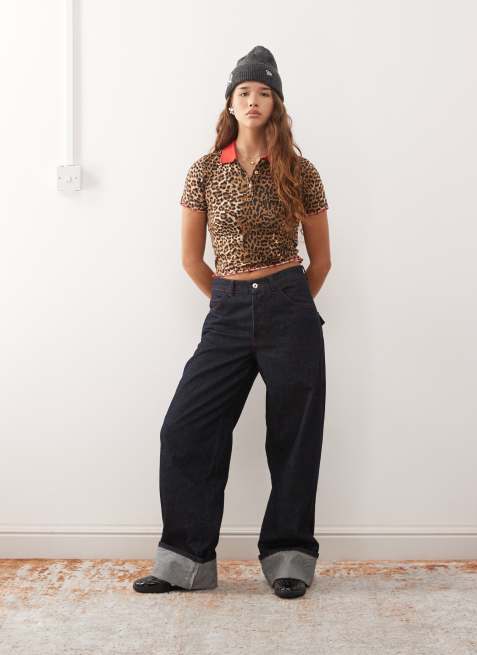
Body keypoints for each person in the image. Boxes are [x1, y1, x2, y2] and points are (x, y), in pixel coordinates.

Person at [133, 45, 331, 599]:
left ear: (277, 104)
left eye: (264, 92)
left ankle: (289, 558)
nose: (253, 100)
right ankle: (186, 563)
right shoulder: (204, 170)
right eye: (244, 91)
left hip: (289, 304)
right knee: (186, 427)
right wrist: (229, 299)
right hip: (227, 309)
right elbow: (191, 259)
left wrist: (289, 303)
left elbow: (322, 261)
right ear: (230, 102)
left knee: (294, 436)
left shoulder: (301, 170)